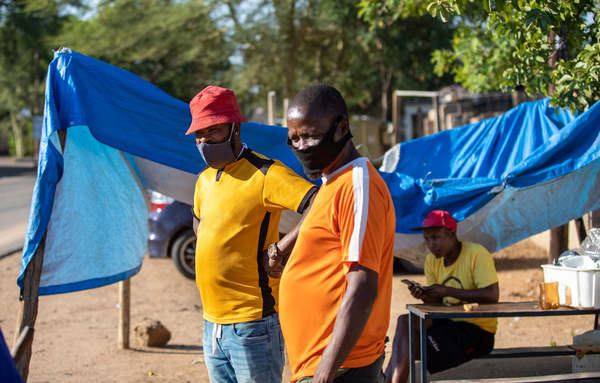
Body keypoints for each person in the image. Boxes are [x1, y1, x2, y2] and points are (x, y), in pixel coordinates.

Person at [186, 85, 318, 383]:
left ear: (235, 129)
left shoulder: (265, 174)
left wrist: (280, 250)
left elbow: (319, 202)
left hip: (253, 324)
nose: (205, 141)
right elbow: (200, 224)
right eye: (200, 135)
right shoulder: (204, 180)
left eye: (214, 131)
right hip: (212, 325)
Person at [279, 84, 396, 383]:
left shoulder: (358, 185)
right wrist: (282, 249)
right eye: (294, 139)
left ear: (341, 127)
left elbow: (362, 286)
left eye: (310, 135)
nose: (302, 146)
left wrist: (324, 373)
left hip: (340, 369)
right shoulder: (332, 181)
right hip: (318, 365)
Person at [384, 210, 499, 383]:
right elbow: (437, 304)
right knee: (404, 322)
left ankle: (390, 380)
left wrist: (447, 291)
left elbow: (492, 295)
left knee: (404, 347)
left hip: (476, 330)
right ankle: (391, 381)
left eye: (436, 238)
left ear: (452, 234)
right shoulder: (432, 261)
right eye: (427, 239)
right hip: (448, 323)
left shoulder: (476, 254)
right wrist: (425, 296)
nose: (431, 245)